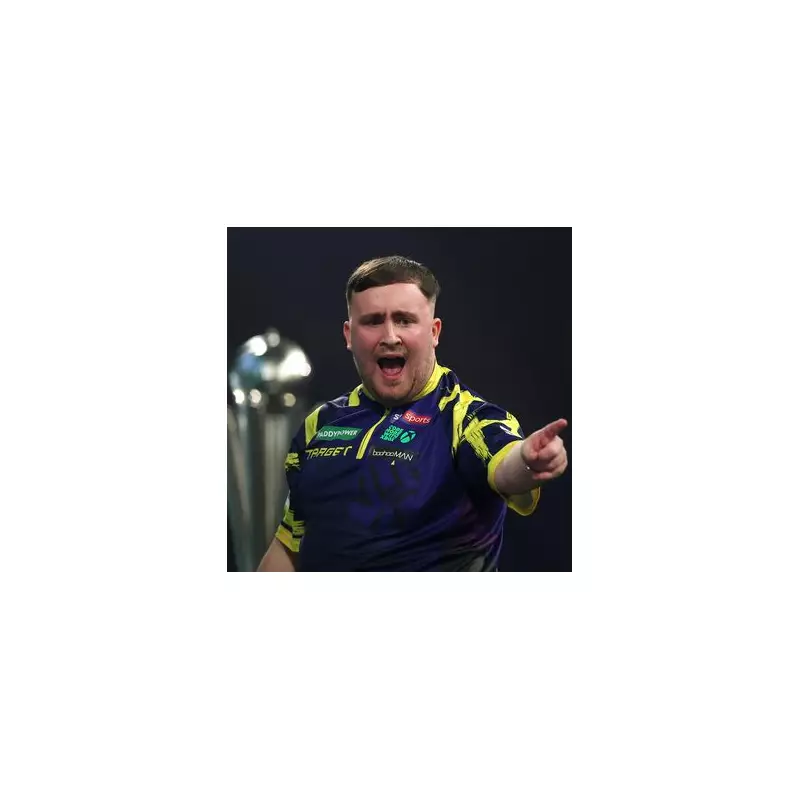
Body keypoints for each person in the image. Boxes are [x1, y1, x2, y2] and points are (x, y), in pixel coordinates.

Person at [257, 255, 568, 571]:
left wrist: (527, 460)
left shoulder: (465, 417)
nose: (390, 337)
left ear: (434, 332)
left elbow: (506, 467)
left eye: (404, 320)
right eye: (373, 321)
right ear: (349, 335)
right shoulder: (319, 424)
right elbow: (289, 546)